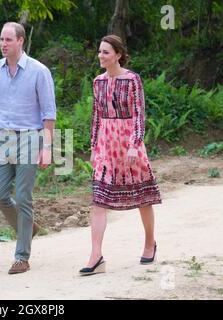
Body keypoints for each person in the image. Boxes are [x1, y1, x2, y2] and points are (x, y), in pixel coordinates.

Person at [80, 35, 162, 276]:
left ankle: (150, 243)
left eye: (105, 52)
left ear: (117, 54)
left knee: (142, 197)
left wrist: (135, 145)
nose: (100, 56)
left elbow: (139, 113)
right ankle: (96, 257)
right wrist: (94, 147)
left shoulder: (133, 79)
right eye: (99, 51)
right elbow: (96, 116)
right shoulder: (97, 81)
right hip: (106, 142)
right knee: (98, 199)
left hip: (128, 141)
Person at [0, 22, 56, 274]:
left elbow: (48, 113)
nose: (3, 44)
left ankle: (21, 256)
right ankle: (29, 227)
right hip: (3, 138)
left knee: (24, 196)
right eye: (1, 40)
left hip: (30, 138)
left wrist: (46, 146)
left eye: (8, 40)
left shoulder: (39, 71)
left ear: (21, 41)